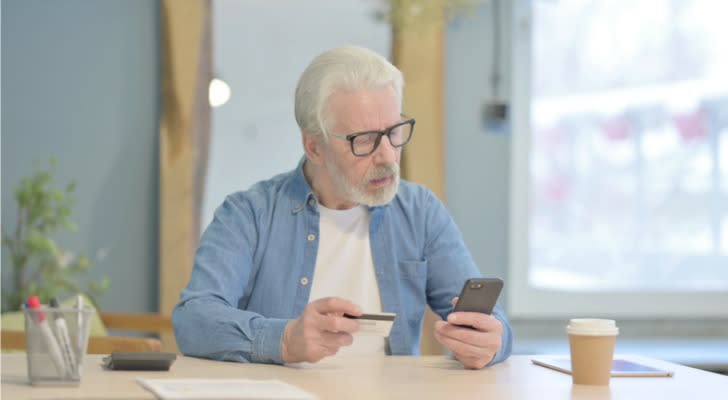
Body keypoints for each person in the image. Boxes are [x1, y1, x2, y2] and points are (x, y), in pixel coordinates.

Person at [172, 45, 513, 369]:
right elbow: (193, 319)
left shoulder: (420, 211)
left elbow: (494, 325)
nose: (388, 157)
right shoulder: (248, 214)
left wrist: (490, 343)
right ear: (314, 147)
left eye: (394, 131)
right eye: (364, 140)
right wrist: (284, 340)